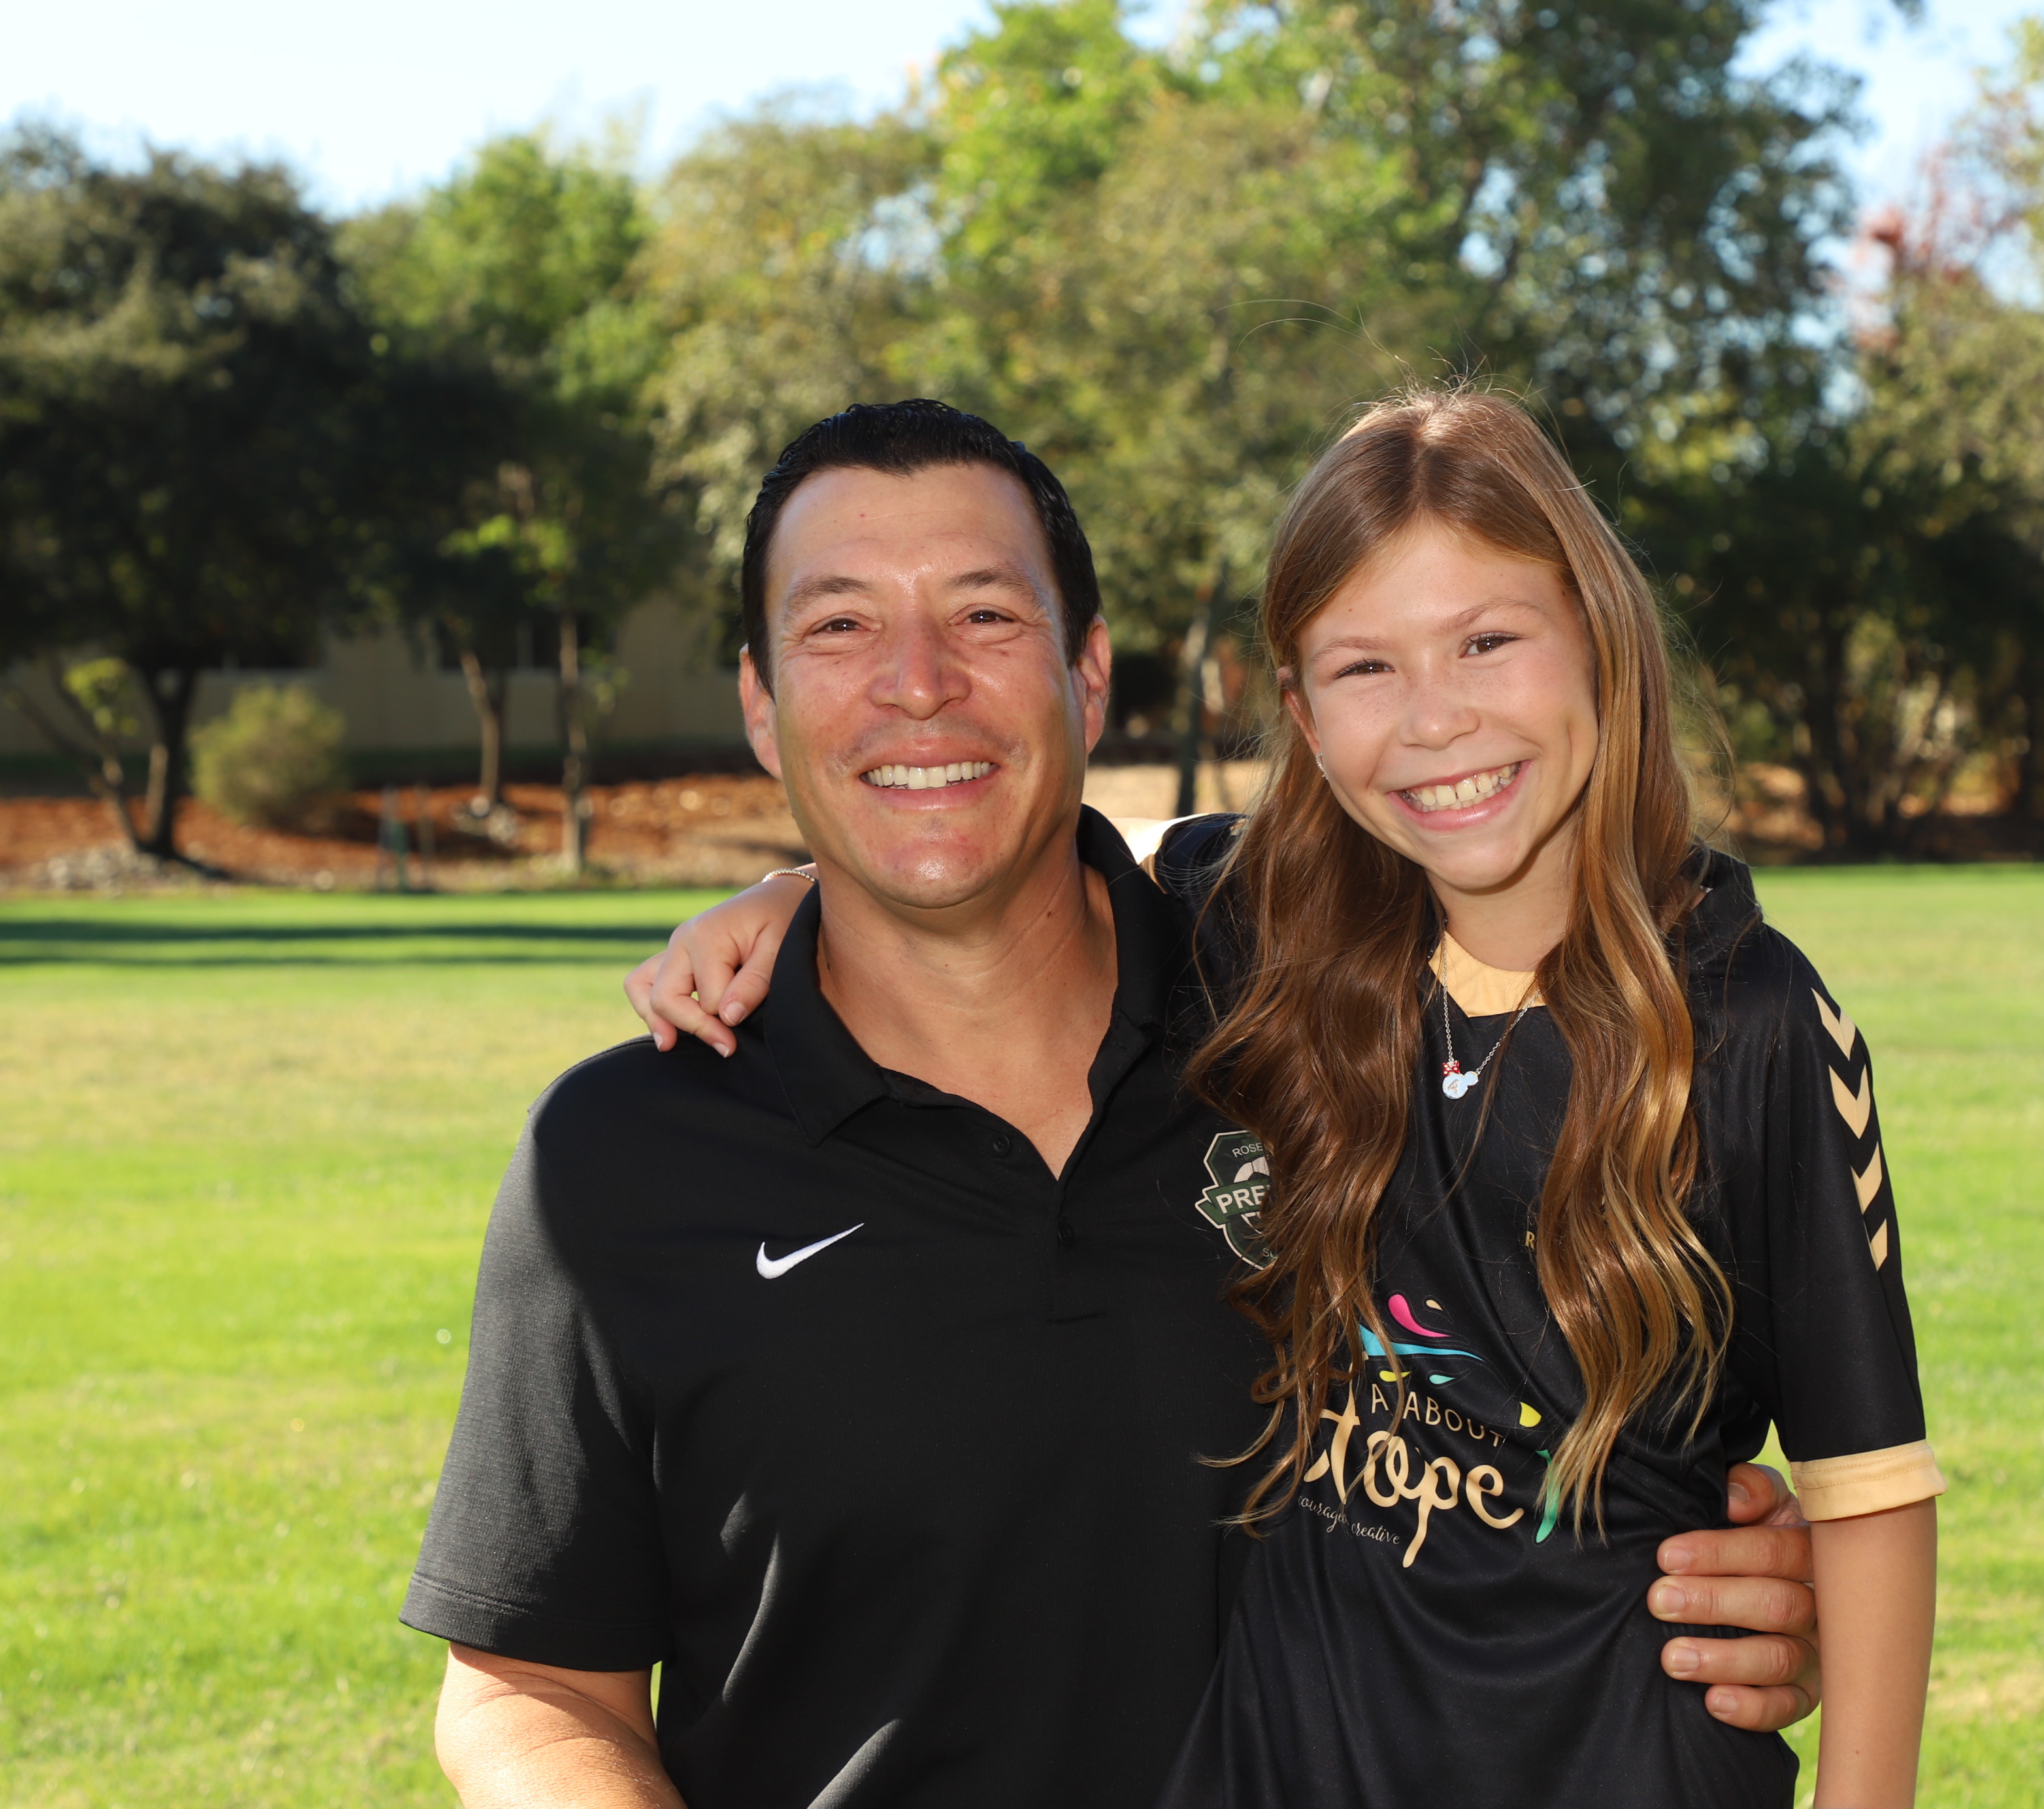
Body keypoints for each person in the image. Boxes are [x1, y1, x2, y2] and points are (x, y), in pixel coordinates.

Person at [410, 398, 1824, 1809]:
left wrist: (1698, 1575)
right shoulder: (621, 1158)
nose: (917, 683)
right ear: (760, 706)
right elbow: (530, 1692)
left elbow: (1585, 1362)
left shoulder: (1322, 1021)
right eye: (839, 625)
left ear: (1087, 677)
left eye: (984, 616)